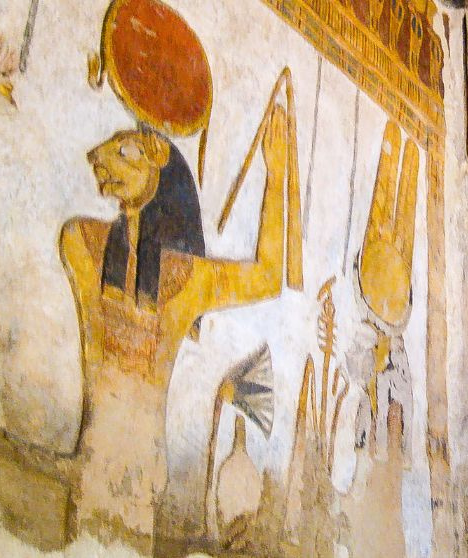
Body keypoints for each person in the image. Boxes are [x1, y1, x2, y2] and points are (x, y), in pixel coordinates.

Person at [58, 106, 294, 549]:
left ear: (161, 173)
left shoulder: (183, 280)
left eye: (128, 153)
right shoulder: (84, 243)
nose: (100, 160)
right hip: (94, 452)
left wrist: (276, 175)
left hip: (144, 465)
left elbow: (266, 277)